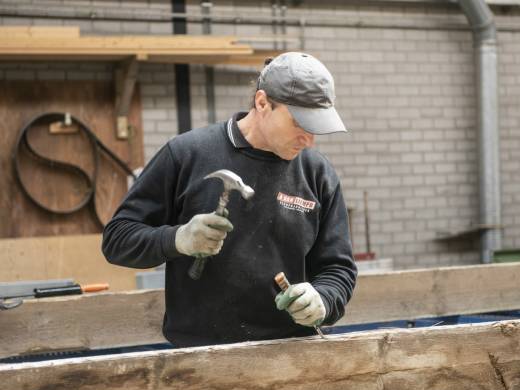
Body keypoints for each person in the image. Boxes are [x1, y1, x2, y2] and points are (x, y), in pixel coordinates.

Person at [102, 52, 357, 348]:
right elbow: (117, 240)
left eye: (316, 127)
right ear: (262, 103)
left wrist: (323, 299)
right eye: (299, 123)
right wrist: (178, 239)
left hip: (292, 356)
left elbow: (338, 269)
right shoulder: (187, 155)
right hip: (200, 357)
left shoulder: (317, 173)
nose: (309, 140)